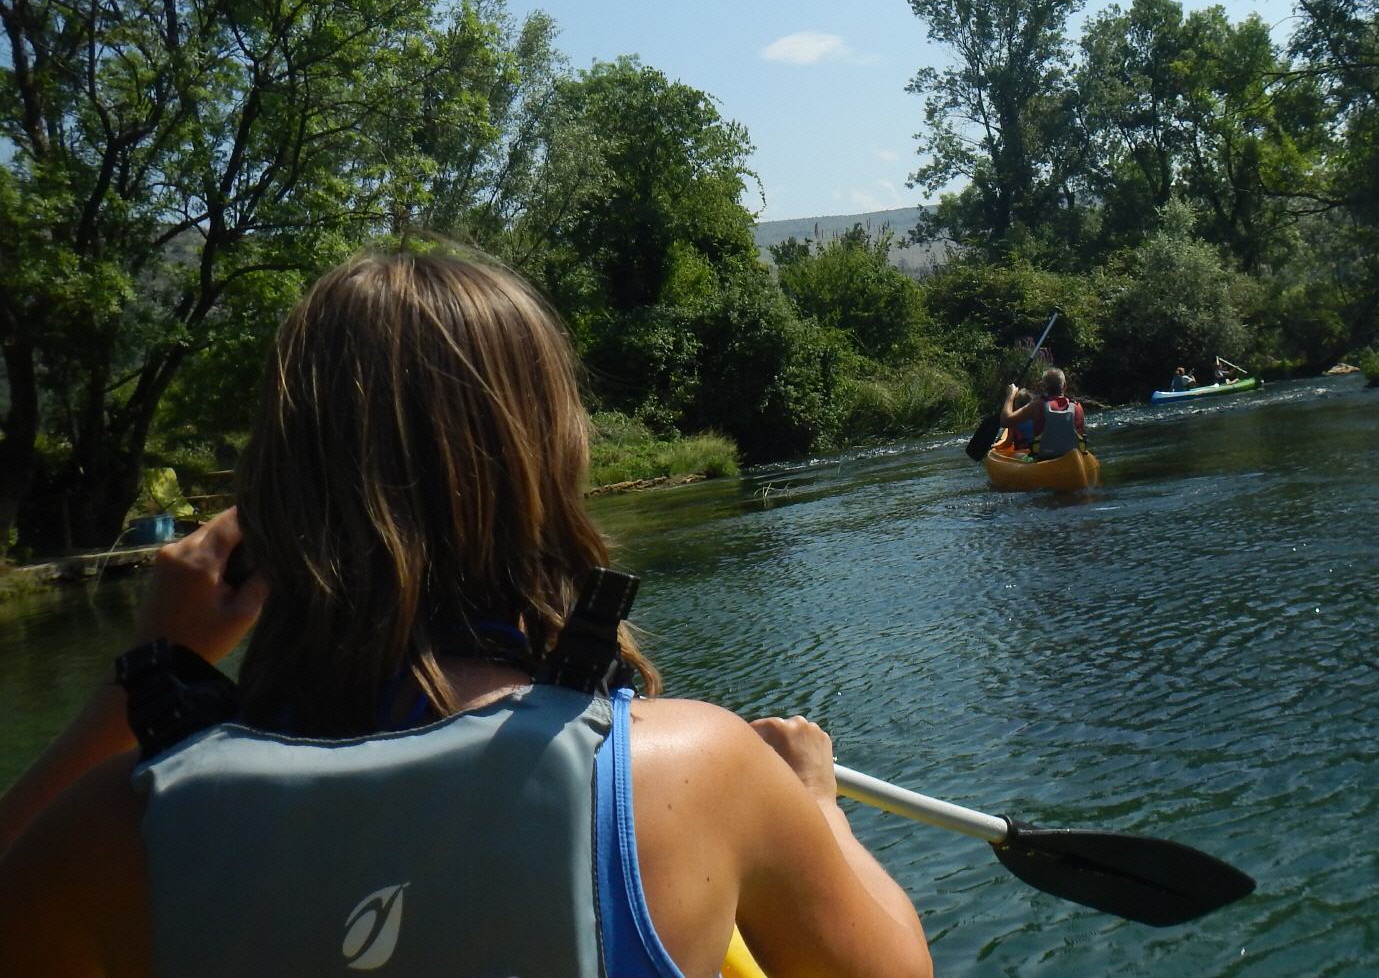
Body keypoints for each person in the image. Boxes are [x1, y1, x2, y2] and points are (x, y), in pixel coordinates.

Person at [0, 248, 932, 978]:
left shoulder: (112, 830)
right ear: (545, 472)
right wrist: (815, 803)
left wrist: (148, 672)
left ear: (273, 501)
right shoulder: (697, 770)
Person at [1000, 367, 1086, 460]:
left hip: (1043, 460)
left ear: (1042, 386)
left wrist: (1010, 395)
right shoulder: (1078, 407)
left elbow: (1005, 421)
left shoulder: (1037, 405)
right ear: (1064, 385)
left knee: (1015, 455)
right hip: (1073, 459)